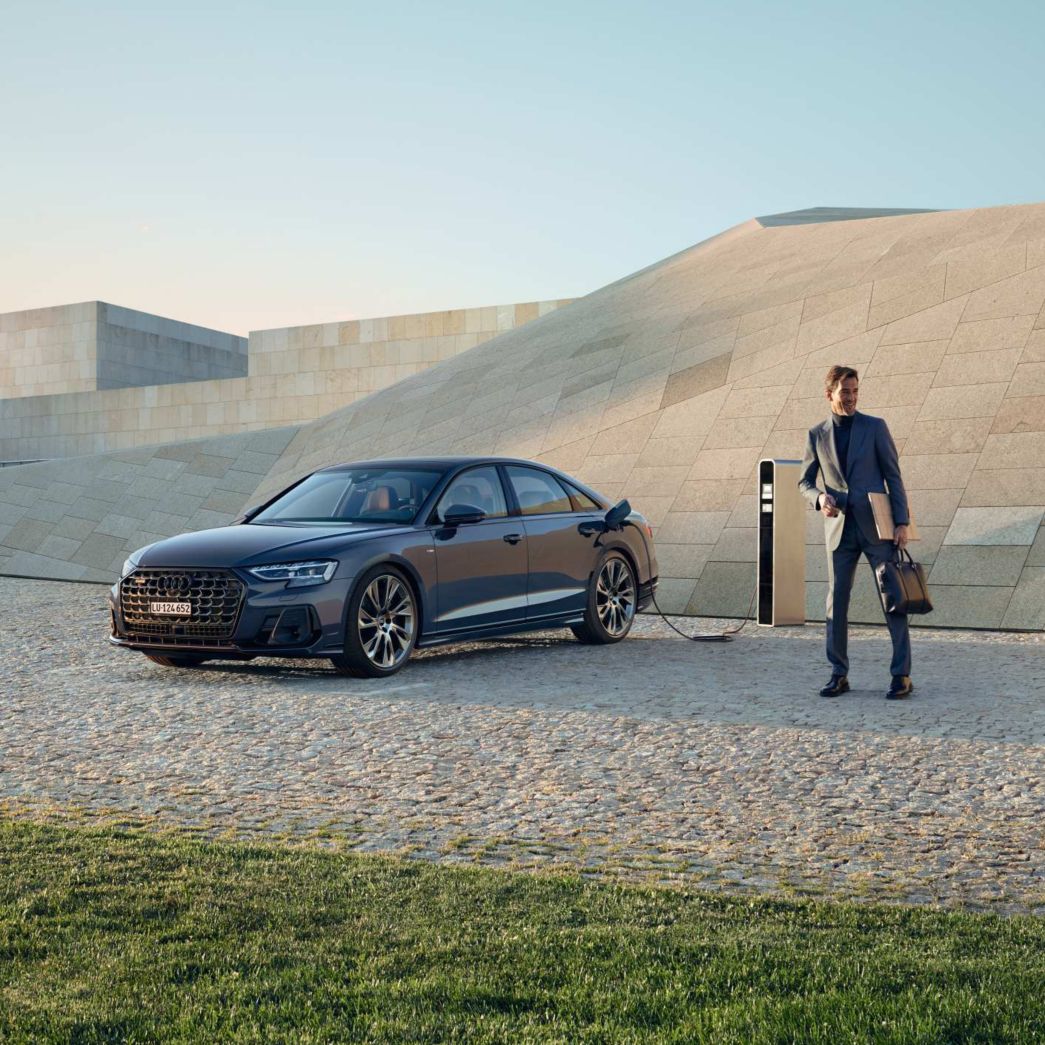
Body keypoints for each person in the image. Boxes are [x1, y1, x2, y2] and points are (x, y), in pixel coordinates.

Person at [799, 365, 913, 699]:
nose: (851, 398)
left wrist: (901, 522)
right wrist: (819, 498)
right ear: (829, 394)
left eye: (855, 391)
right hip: (839, 529)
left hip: (878, 525)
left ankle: (901, 674)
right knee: (837, 604)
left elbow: (894, 475)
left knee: (894, 599)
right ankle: (838, 673)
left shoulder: (875, 428)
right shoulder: (815, 435)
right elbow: (804, 482)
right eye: (845, 392)